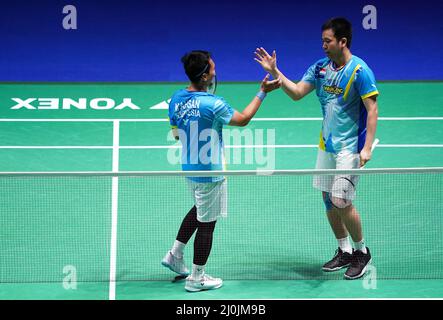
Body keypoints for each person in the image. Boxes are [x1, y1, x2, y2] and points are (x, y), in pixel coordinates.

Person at [254, 17, 379, 280]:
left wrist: (367, 148)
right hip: (327, 145)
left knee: (341, 200)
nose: (323, 45)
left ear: (342, 41)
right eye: (322, 40)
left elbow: (372, 109)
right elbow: (298, 92)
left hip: (349, 149)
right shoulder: (320, 68)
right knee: (327, 198)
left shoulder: (360, 71)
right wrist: (276, 72)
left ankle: (361, 251)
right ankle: (344, 250)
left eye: (328, 41)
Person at [162, 50, 281, 291]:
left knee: (199, 209)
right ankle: (197, 278)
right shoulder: (214, 104)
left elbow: (176, 133)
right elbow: (244, 119)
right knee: (207, 223)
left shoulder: (176, 98)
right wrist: (263, 92)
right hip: (211, 173)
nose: (216, 73)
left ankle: (175, 254)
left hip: (190, 168)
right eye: (213, 70)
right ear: (204, 76)